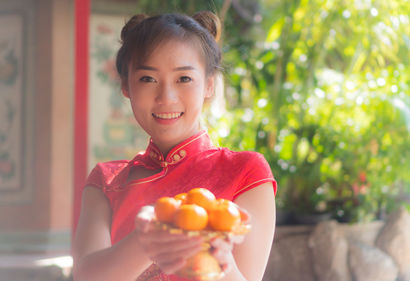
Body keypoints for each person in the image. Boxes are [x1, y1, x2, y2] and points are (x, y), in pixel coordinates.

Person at [72, 11, 277, 281]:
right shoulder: (106, 182)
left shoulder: (246, 172)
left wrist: (220, 262)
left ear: (209, 86)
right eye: (148, 79)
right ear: (126, 86)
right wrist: (146, 242)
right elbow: (86, 276)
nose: (166, 97)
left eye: (184, 79)